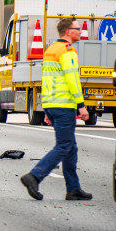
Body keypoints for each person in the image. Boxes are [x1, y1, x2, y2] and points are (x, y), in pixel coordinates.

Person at [21, 16, 92, 200]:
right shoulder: (68, 51)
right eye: (77, 29)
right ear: (68, 32)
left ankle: (73, 188)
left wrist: (46, 108)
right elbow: (72, 80)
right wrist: (81, 106)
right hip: (63, 105)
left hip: (53, 104)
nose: (80, 31)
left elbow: (47, 80)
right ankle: (34, 176)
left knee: (71, 148)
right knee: (64, 145)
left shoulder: (51, 49)